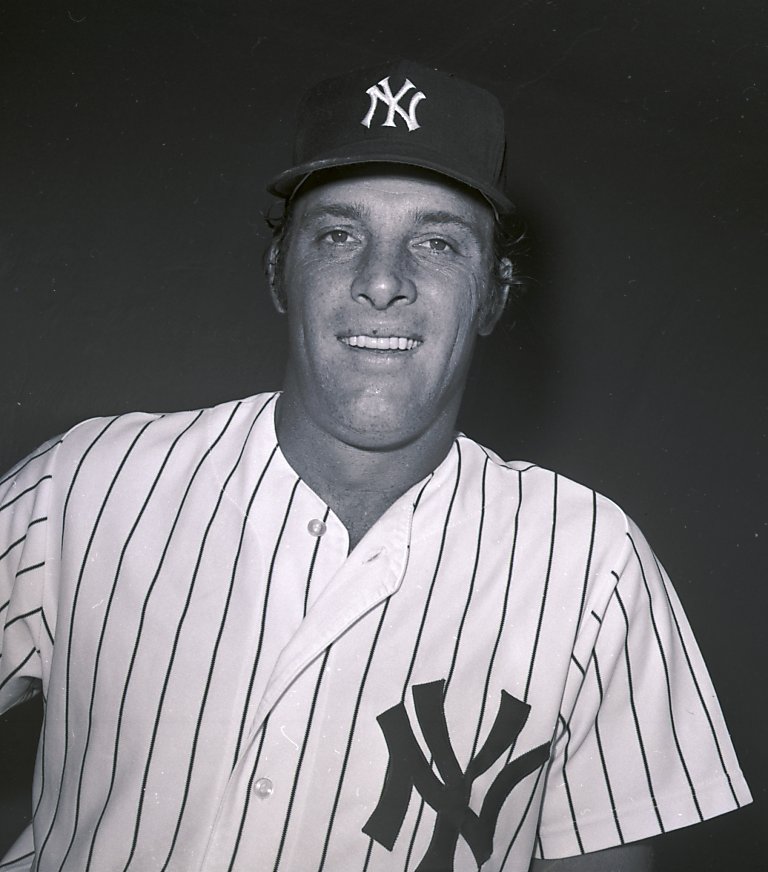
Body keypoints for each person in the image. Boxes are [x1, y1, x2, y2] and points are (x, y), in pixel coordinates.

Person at [0, 60, 751, 872]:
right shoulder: (86, 485)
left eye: (435, 242)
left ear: (494, 295)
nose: (383, 281)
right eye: (338, 235)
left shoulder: (595, 565)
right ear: (279, 274)